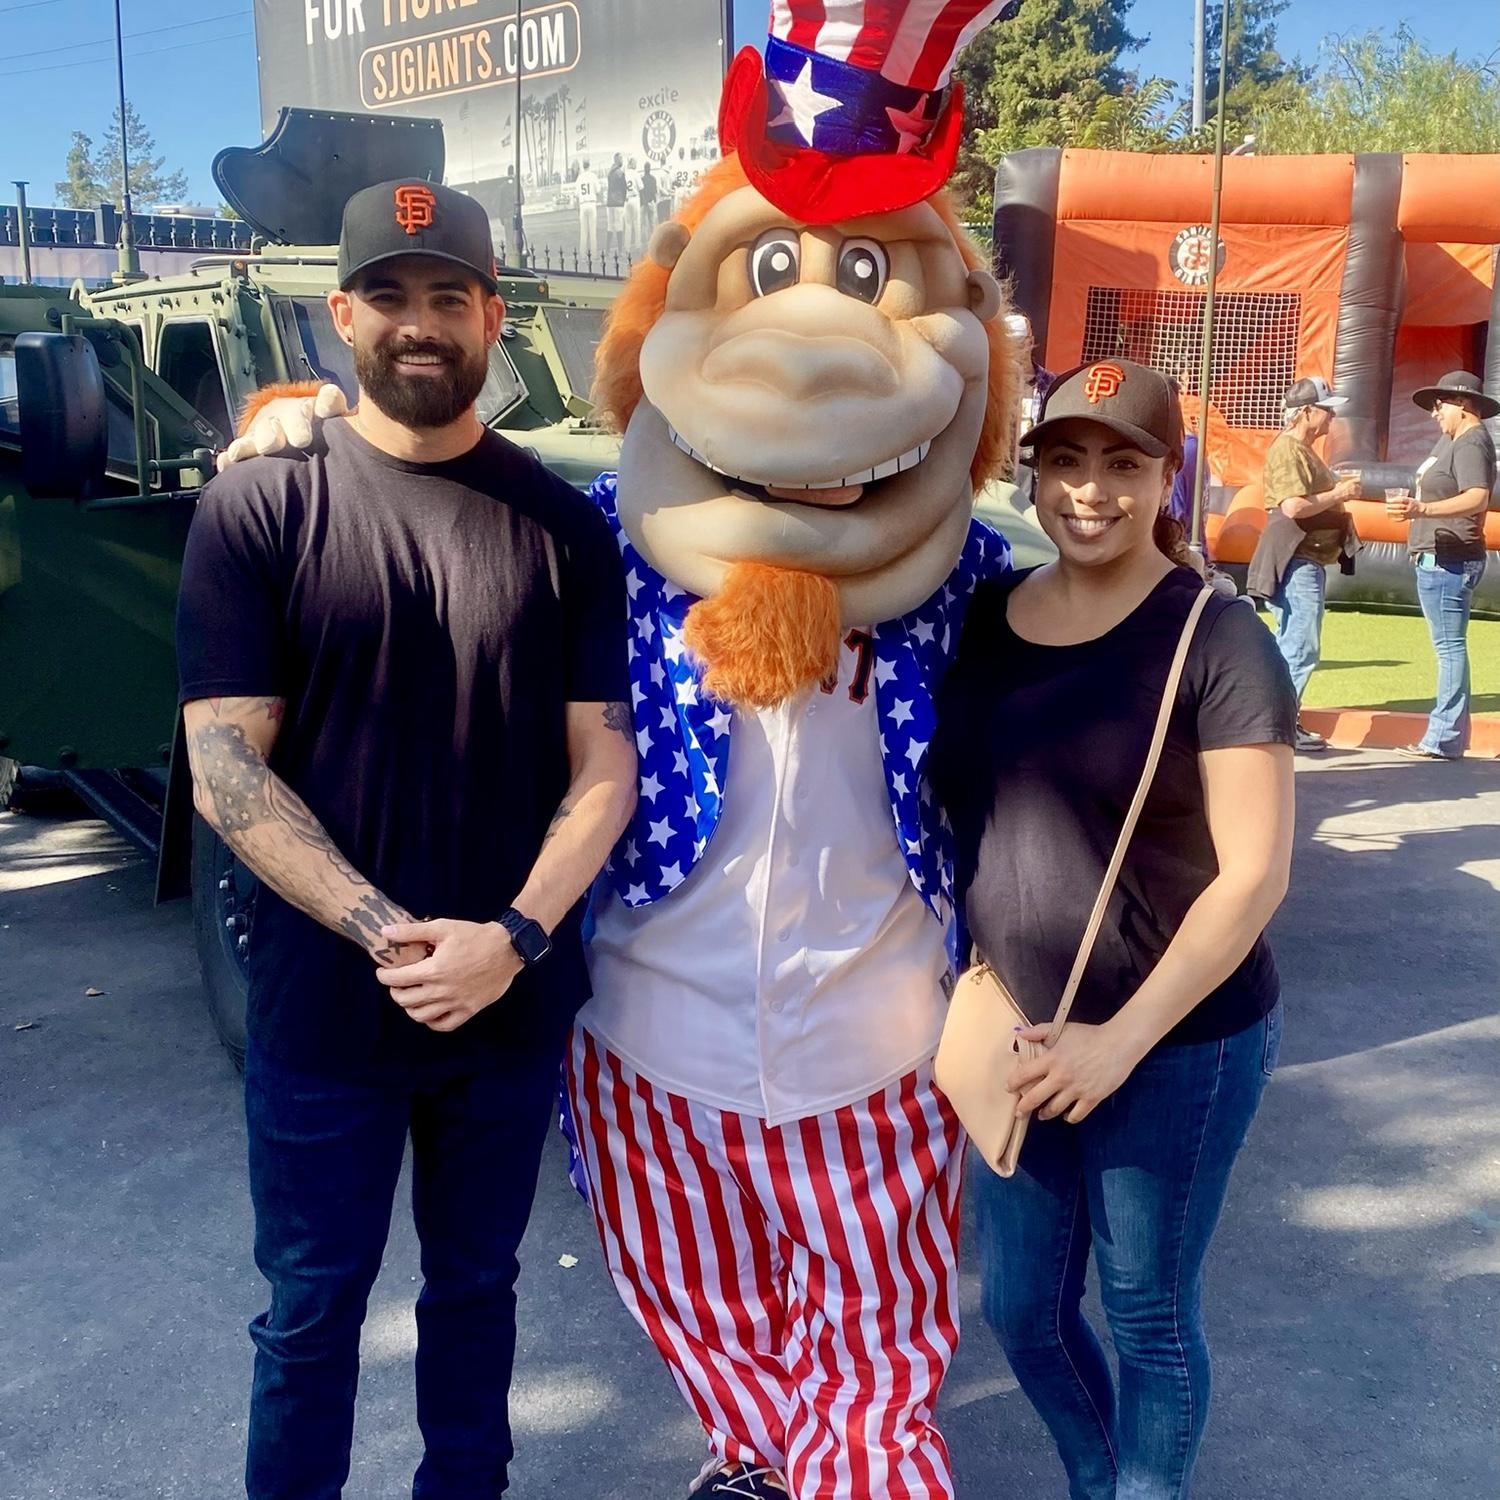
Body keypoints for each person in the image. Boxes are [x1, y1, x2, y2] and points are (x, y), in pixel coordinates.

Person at [177, 179, 636, 1500]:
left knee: (476, 1298)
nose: (420, 323)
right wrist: (390, 935)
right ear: (340, 316)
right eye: (390, 295)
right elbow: (224, 763)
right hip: (326, 1013)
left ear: (494, 316)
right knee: (311, 1317)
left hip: (504, 1008)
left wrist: (512, 940)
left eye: (450, 296)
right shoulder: (258, 510)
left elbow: (603, 762)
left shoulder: (561, 528)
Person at [932, 359, 1296, 1500]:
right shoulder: (988, 613)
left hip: (1177, 1042)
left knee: (1143, 1308)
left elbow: (1253, 878)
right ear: (1035, 475)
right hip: (1018, 1031)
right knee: (1022, 1312)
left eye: (1125, 465)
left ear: (1166, 478)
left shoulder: (1218, 640)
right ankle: (1102, 1479)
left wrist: (1118, 1040)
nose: (1092, 491)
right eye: (1068, 462)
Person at [1246, 376, 1361, 752]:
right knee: (1300, 645)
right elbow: (1293, 506)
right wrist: (1339, 493)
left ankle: (1275, 720)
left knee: (1290, 644)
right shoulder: (1289, 449)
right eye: (1326, 410)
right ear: (1306, 412)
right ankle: (1281, 724)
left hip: (1304, 558)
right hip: (1298, 558)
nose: (1331, 418)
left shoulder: (1304, 450)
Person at [1388, 370, 1497, 760]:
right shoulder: (1453, 439)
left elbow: (1477, 497)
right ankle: (1448, 735)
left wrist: (1423, 508)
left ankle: (1444, 737)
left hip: (1450, 559)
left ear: (1462, 404)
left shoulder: (1471, 443)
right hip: (1438, 556)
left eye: (1440, 405)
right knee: (1448, 647)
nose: (1434, 413)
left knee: (1449, 648)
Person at [576, 157, 599, 263]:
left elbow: (576, 194)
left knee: (583, 232)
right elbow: (598, 190)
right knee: (592, 231)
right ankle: (594, 255)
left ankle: (582, 256)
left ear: (583, 165)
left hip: (583, 204)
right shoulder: (593, 176)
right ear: (589, 165)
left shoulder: (579, 178)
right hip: (591, 203)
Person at [605, 152, 627, 258]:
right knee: (619, 226)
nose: (622, 160)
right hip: (618, 202)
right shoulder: (620, 173)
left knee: (610, 226)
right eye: (621, 158)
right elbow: (624, 188)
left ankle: (608, 250)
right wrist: (623, 199)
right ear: (618, 160)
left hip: (610, 202)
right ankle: (620, 250)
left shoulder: (610, 172)